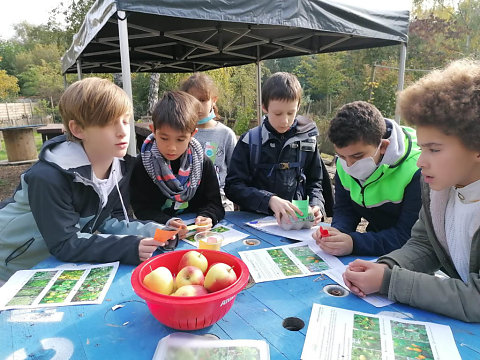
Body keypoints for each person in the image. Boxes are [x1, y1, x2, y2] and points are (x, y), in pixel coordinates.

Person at [343, 59, 480, 322]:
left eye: (434, 149)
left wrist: (391, 281)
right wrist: (386, 266)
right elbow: (425, 244)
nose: (420, 161)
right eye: (421, 147)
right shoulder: (438, 188)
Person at [0, 77, 166, 283]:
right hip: (9, 268)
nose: (123, 131)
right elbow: (65, 243)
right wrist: (129, 247)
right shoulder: (48, 178)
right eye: (108, 122)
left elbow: (110, 222)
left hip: (50, 268)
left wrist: (160, 231)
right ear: (78, 129)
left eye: (125, 120)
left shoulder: (119, 169)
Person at [313, 101, 422, 256]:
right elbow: (345, 209)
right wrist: (336, 232)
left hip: (407, 253)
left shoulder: (416, 171)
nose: (349, 165)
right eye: (342, 156)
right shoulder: (343, 164)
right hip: (377, 242)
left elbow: (409, 236)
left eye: (357, 156)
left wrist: (354, 243)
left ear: (383, 146)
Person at [225, 72, 332, 225]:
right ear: (264, 107)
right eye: (277, 113)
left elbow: (315, 182)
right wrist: (269, 200)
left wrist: (316, 206)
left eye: (291, 113)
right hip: (255, 223)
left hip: (297, 225)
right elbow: (233, 187)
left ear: (299, 106)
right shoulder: (250, 141)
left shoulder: (308, 140)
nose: (285, 120)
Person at [130, 91, 224, 239]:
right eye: (164, 138)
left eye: (180, 139)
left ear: (192, 134)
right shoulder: (142, 164)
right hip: (159, 237)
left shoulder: (202, 163)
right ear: (153, 130)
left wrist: (208, 217)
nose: (172, 147)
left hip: (195, 238)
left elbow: (215, 204)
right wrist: (167, 221)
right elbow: (142, 209)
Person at [179, 73, 237, 211]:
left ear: (214, 100)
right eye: (193, 100)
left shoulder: (226, 134)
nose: (198, 106)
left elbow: (235, 174)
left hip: (220, 205)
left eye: (203, 100)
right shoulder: (180, 135)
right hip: (186, 206)